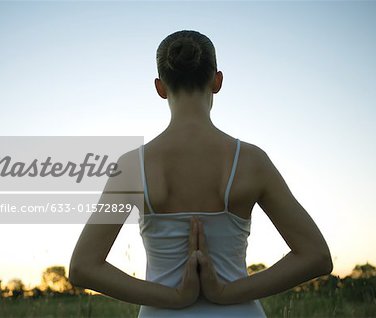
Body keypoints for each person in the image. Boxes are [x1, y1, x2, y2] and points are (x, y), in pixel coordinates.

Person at [69, 30, 333, 317]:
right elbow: (316, 256)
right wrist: (226, 292)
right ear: (217, 81)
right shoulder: (252, 161)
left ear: (160, 87)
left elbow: (83, 267)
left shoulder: (132, 166)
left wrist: (174, 297)